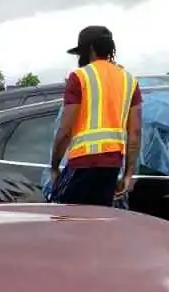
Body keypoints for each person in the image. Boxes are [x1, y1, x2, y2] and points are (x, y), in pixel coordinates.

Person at [48, 26, 142, 207]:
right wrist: (128, 173)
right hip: (112, 167)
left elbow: (65, 129)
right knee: (98, 225)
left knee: (66, 222)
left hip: (82, 163)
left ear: (89, 50)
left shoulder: (79, 77)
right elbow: (135, 132)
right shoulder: (129, 81)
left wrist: (54, 167)